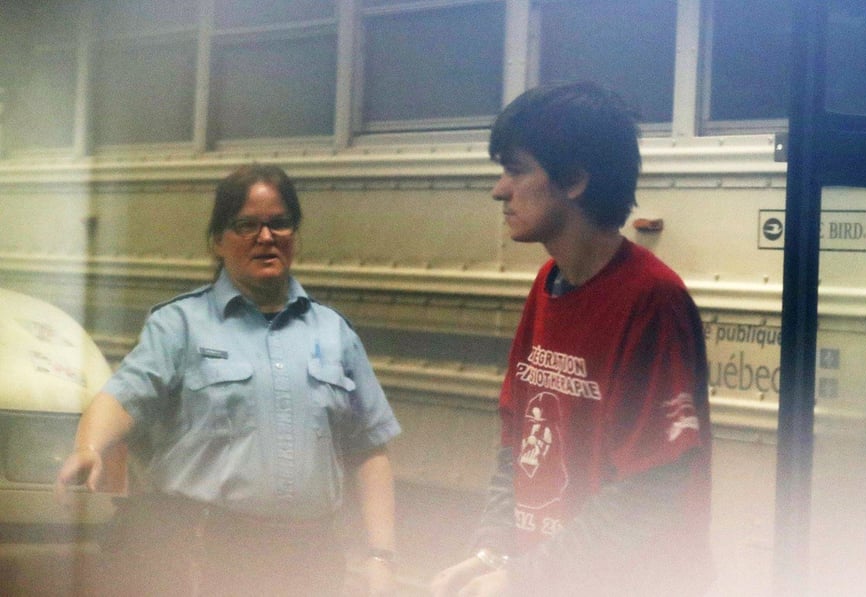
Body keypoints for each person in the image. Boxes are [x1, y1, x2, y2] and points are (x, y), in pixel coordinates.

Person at [56, 164, 401, 596]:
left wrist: (380, 558)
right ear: (217, 240)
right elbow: (125, 396)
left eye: (279, 223)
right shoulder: (181, 325)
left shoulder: (333, 333)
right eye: (246, 225)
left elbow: (370, 447)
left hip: (311, 557)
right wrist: (89, 446)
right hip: (205, 553)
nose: (265, 237)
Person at [430, 82, 713, 597]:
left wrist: (522, 577)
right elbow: (517, 444)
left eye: (516, 170)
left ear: (576, 179)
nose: (499, 189)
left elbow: (649, 490)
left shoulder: (653, 300)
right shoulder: (547, 284)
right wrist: (490, 554)